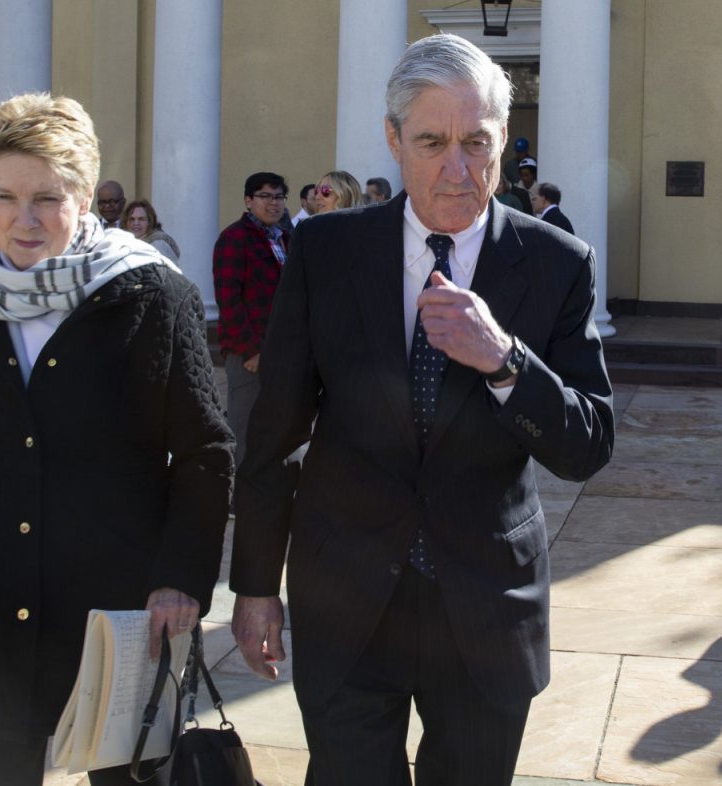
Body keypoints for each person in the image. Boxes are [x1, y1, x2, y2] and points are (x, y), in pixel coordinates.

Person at [229, 33, 613, 786]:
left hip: (484, 604)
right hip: (345, 592)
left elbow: (588, 443)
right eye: (433, 141)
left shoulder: (557, 263)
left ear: (503, 141)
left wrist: (504, 359)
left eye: (478, 142)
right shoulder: (326, 253)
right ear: (394, 138)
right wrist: (252, 586)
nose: (458, 168)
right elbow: (275, 433)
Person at [0, 93, 234, 785]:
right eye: (5, 197)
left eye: (47, 198)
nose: (22, 220)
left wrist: (180, 578)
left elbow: (204, 453)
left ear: (86, 196)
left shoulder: (150, 296)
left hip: (115, 609)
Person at [212, 171, 289, 466]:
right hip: (250, 356)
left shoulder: (286, 237)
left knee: (278, 431)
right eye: (265, 196)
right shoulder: (234, 239)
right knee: (246, 431)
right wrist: (251, 349)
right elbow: (228, 299)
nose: (273, 203)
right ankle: (241, 500)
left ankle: (271, 497)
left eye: (279, 196)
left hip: (282, 351)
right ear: (248, 200)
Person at [122, 198, 181, 263]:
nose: (136, 223)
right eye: (132, 219)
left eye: (141, 219)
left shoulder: (158, 244)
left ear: (150, 221)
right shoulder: (126, 244)